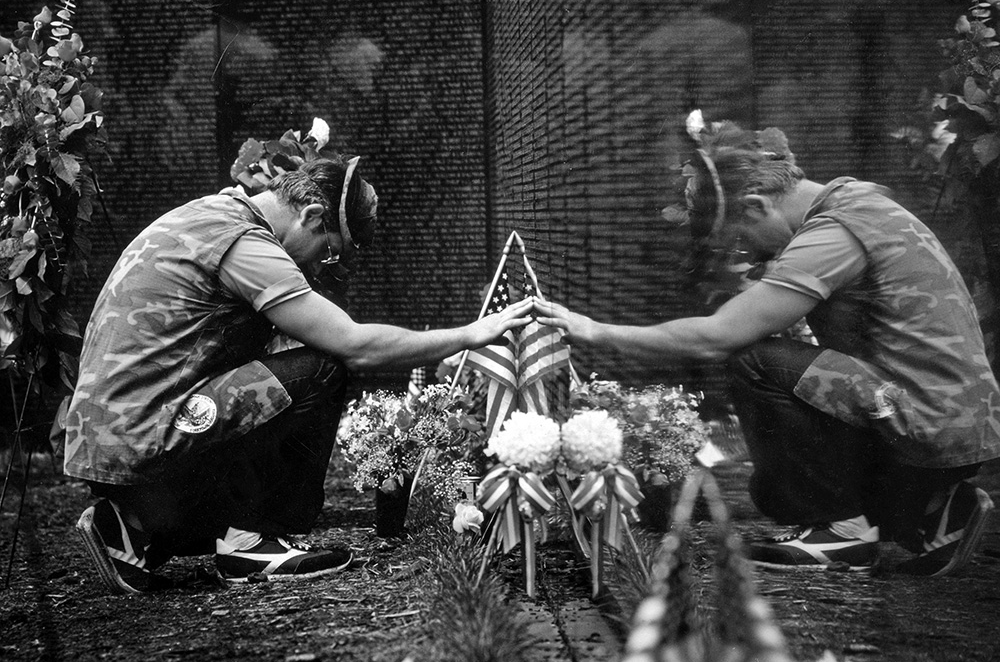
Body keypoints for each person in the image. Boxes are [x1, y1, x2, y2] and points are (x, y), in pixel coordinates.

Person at [534, 117, 1000, 576]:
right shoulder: (858, 203)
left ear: (756, 207)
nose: (748, 256)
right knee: (773, 492)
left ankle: (846, 535)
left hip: (930, 418)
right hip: (950, 417)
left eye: (740, 242)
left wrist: (595, 330)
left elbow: (720, 337)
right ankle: (932, 508)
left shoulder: (834, 233)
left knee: (754, 360)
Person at [64, 155, 533, 594]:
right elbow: (356, 347)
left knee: (276, 381)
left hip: (116, 440)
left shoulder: (210, 214)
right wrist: (473, 334)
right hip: (146, 435)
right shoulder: (245, 243)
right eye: (328, 253)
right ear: (311, 216)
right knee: (321, 369)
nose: (314, 268)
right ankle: (249, 545)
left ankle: (134, 529)